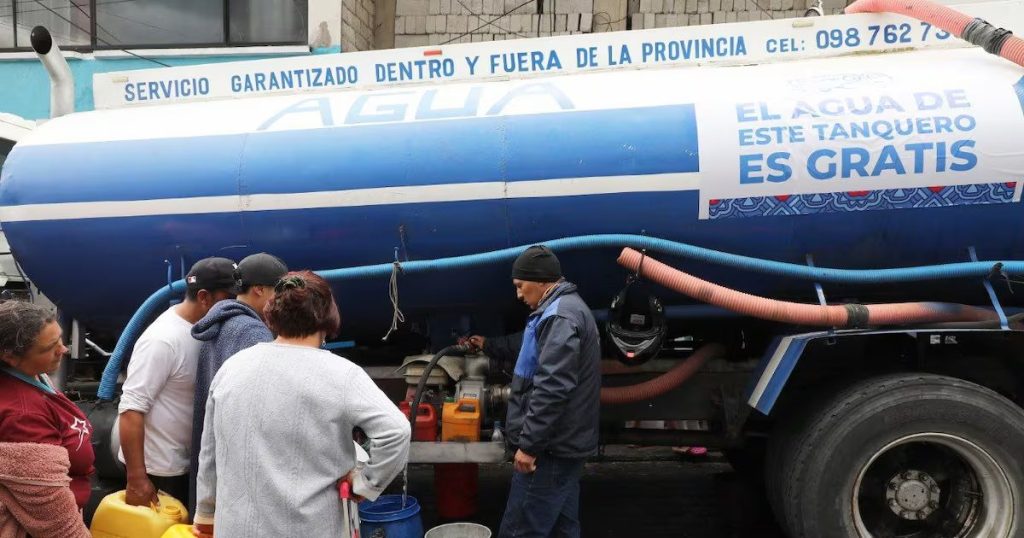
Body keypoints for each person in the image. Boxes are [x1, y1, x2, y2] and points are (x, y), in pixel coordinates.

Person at [193, 271, 410, 537]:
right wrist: (364, 485)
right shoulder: (342, 373)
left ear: (272, 314)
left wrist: (205, 512)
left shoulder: (232, 368)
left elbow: (210, 450)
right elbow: (397, 432)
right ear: (329, 317)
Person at [469, 245, 601, 538]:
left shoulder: (559, 317)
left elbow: (552, 387)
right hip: (562, 444)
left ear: (541, 281)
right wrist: (489, 344)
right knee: (562, 527)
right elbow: (528, 347)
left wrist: (529, 446)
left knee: (521, 529)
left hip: (549, 449)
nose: (518, 294)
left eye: (520, 286)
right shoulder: (561, 310)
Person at [118, 257, 237, 508]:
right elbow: (131, 410)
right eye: (230, 297)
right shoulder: (163, 340)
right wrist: (137, 479)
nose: (235, 304)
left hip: (187, 463)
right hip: (160, 470)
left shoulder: (204, 328)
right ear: (204, 297)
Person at [187, 252, 288, 514]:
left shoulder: (221, 321)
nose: (284, 301)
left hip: (216, 458)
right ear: (258, 290)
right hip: (241, 469)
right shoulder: (253, 333)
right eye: (279, 292)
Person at [0, 300, 92, 537]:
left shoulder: (32, 375)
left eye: (60, 339)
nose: (64, 349)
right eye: (49, 347)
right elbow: (58, 524)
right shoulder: (22, 415)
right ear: (10, 357)